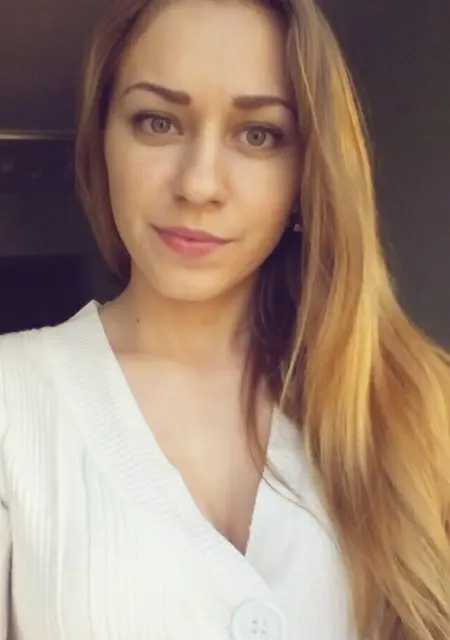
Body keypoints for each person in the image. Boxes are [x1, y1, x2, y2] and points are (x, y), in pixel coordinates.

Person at [0, 0, 449, 638]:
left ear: (308, 171)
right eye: (158, 122)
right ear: (103, 143)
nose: (199, 184)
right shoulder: (13, 401)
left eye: (258, 134)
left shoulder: (415, 403)